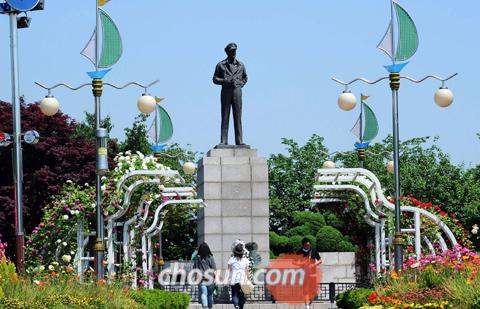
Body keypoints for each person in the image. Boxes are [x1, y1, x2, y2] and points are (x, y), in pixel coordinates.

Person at [213, 42, 248, 146]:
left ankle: (239, 140)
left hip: (237, 91)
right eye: (231, 51)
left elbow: (245, 77)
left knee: (238, 116)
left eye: (235, 50)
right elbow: (214, 79)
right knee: (225, 116)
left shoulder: (241, 65)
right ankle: (224, 140)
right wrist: (224, 81)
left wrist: (240, 83)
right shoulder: (221, 64)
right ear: (227, 52)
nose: (233, 52)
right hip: (226, 91)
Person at [297, 237, 322, 309]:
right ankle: (307, 306)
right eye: (306, 245)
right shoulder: (299, 252)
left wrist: (314, 264)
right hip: (304, 273)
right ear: (303, 245)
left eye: (309, 245)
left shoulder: (313, 250)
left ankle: (310, 303)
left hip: (313, 273)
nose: (308, 246)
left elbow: (320, 260)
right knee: (305, 290)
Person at [193, 242, 217, 309]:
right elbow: (214, 269)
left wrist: (195, 278)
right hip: (210, 279)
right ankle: (210, 307)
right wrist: (216, 278)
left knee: (204, 293)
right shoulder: (210, 258)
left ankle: (205, 307)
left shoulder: (197, 258)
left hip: (201, 279)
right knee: (210, 295)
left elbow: (195, 269)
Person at [228, 243, 249, 309]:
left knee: (234, 294)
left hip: (234, 280)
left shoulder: (231, 260)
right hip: (242, 280)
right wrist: (248, 279)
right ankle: (240, 307)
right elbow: (247, 271)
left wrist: (228, 279)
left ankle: (236, 305)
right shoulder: (245, 260)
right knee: (242, 295)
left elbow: (229, 271)